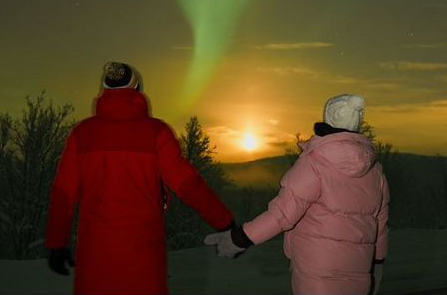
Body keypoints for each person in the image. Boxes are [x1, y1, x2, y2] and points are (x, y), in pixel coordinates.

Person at [45, 62, 234, 295]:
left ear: (105, 90)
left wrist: (56, 243)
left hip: (95, 261)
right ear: (138, 90)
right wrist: (225, 222)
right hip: (144, 261)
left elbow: (63, 194)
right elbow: (189, 185)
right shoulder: (157, 133)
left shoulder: (82, 135)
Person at [205, 94, 390, 295]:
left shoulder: (314, 164)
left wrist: (239, 238)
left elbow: (282, 215)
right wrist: (377, 263)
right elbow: (380, 223)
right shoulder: (376, 172)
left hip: (316, 274)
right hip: (360, 272)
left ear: (329, 118)